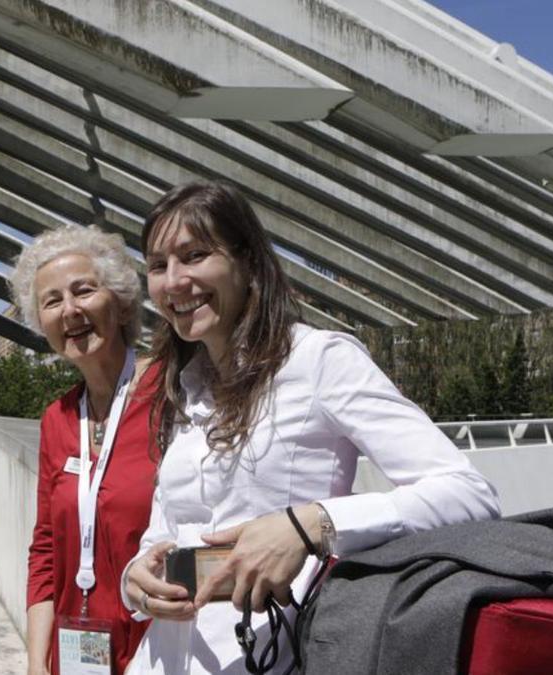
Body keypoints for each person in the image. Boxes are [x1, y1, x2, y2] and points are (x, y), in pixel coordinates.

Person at [120, 181, 501, 673]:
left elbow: (469, 495)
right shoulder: (184, 387)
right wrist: (137, 579)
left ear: (249, 263)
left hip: (275, 656)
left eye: (194, 256)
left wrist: (309, 526)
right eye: (157, 265)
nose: (173, 281)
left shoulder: (319, 360)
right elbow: (164, 530)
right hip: (163, 659)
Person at [12, 225, 161, 675]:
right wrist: (38, 662)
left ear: (119, 302)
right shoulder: (57, 419)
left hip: (158, 650)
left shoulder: (170, 394)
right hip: (76, 655)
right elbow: (45, 551)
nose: (70, 310)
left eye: (84, 291)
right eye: (52, 301)